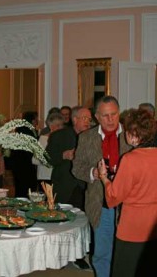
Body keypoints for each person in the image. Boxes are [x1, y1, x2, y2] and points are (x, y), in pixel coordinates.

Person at [72, 96, 131, 277]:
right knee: (101, 254)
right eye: (105, 116)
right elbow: (77, 167)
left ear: (118, 113)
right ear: (97, 116)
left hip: (129, 204)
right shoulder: (86, 138)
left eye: (114, 114)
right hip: (101, 203)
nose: (110, 119)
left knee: (126, 254)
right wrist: (93, 173)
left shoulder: (132, 135)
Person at [98, 108, 157, 277]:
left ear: (132, 134)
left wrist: (104, 177)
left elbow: (114, 197)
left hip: (132, 226)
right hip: (154, 225)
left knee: (125, 271)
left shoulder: (131, 159)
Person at [46, 106, 92, 271]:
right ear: (74, 119)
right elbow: (47, 158)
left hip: (84, 185)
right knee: (61, 222)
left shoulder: (92, 135)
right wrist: (63, 156)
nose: (88, 121)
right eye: (84, 118)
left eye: (89, 118)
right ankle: (60, 255)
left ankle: (79, 256)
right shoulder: (60, 136)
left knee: (80, 223)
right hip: (64, 184)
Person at [32, 112, 65, 190]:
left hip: (59, 176)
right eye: (58, 125)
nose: (61, 128)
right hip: (46, 177)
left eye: (62, 125)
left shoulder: (64, 139)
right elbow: (35, 160)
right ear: (51, 126)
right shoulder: (43, 139)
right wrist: (51, 160)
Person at [11, 111, 39, 197]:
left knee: (20, 188)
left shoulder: (20, 129)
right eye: (37, 119)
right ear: (33, 120)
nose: (38, 121)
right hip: (25, 165)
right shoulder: (27, 131)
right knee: (27, 189)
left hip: (19, 164)